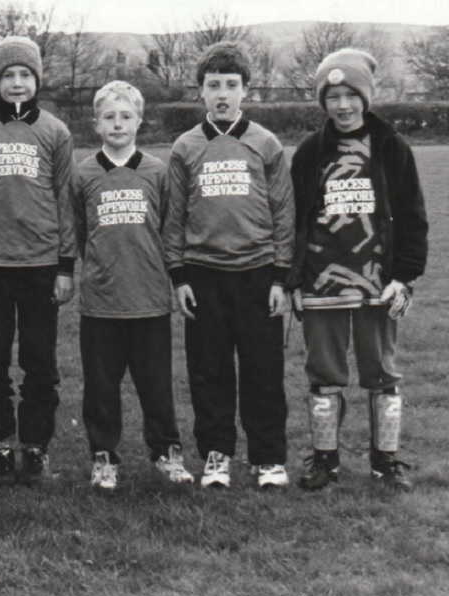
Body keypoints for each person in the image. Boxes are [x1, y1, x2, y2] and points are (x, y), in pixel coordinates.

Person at [287, 49, 428, 491]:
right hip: (322, 282)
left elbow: (412, 216)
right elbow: (294, 220)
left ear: (366, 97)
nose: (342, 105)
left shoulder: (390, 146)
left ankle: (385, 461)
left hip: (377, 285)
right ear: (322, 101)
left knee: (382, 376)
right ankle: (324, 461)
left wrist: (404, 277)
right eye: (332, 96)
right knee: (324, 375)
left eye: (351, 95)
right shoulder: (310, 152)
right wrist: (292, 279)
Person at [162, 42, 294, 489]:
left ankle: (268, 458)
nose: (222, 94)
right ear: (199, 91)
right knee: (209, 370)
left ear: (246, 92)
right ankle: (217, 455)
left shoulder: (265, 143)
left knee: (263, 371)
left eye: (231, 86)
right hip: (203, 274)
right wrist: (178, 277)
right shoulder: (185, 147)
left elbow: (283, 213)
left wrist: (281, 277)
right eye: (213, 85)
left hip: (257, 272)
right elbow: (174, 217)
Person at [0, 36, 76, 486]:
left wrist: (65, 266)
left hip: (41, 263)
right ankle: (0, 444)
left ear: (37, 80)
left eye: (25, 75)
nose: (18, 83)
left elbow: (65, 200)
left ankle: (36, 446)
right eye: (9, 75)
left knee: (40, 362)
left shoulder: (55, 132)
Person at [70, 81, 194, 491]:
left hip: (150, 300)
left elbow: (169, 229)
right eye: (109, 116)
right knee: (101, 388)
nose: (118, 123)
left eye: (126, 116)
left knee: (156, 385)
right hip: (101, 302)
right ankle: (104, 457)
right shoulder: (84, 173)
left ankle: (166, 453)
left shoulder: (157, 171)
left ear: (140, 120)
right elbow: (82, 230)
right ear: (96, 124)